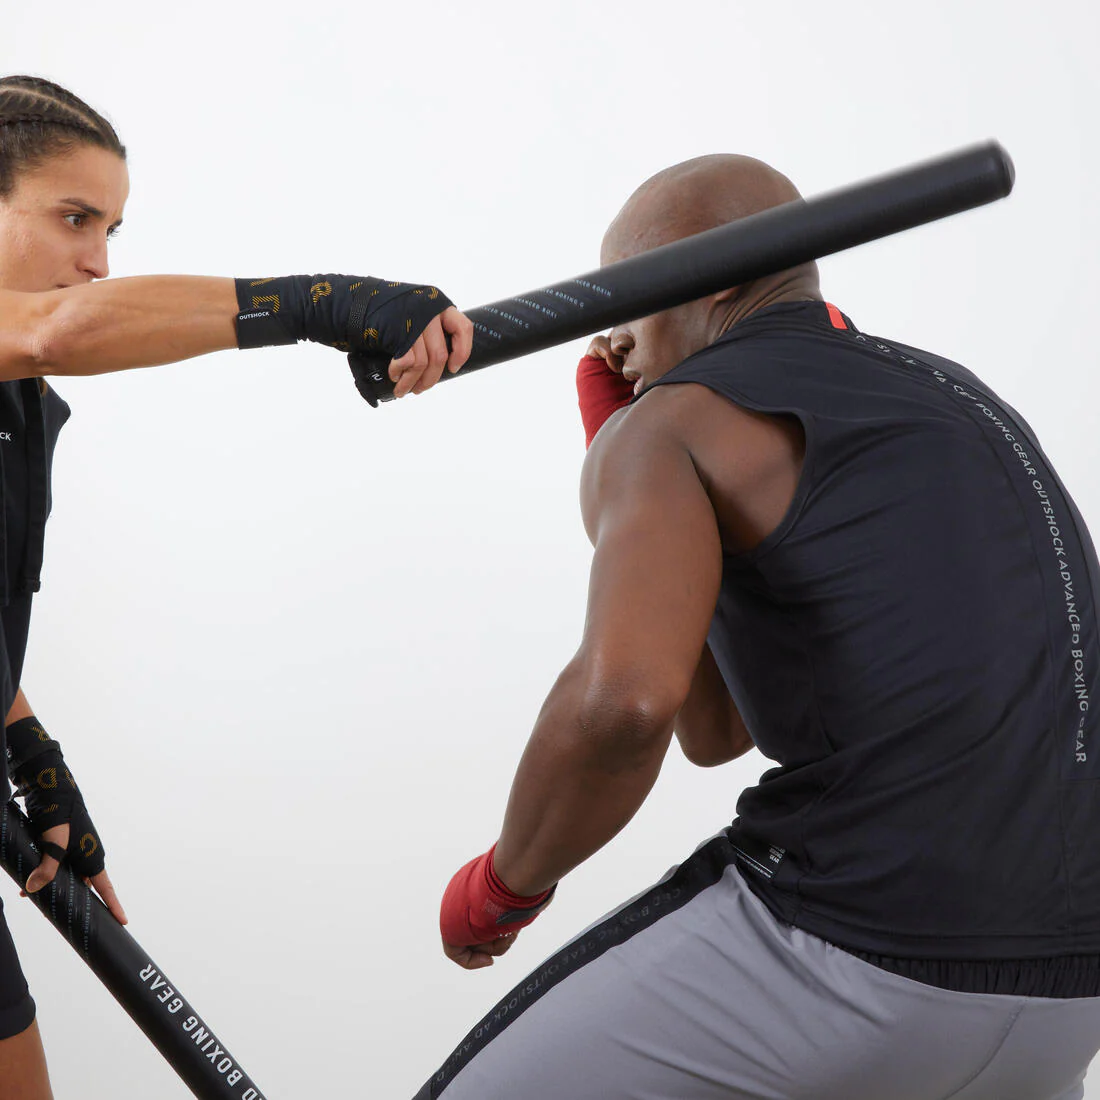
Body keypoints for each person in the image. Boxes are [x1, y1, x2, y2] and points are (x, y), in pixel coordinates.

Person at [423, 153, 1100, 1100]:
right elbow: (717, 728)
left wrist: (507, 885)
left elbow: (625, 705)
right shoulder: (962, 400)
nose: (611, 341)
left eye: (625, 299)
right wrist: (626, 459)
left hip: (857, 943)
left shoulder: (678, 423)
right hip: (1070, 996)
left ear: (724, 277)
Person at [0, 73, 472, 1096]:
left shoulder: (27, 410)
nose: (98, 259)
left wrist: (34, 758)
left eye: (113, 226)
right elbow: (53, 330)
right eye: (74, 217)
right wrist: (318, 304)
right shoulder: (35, 348)